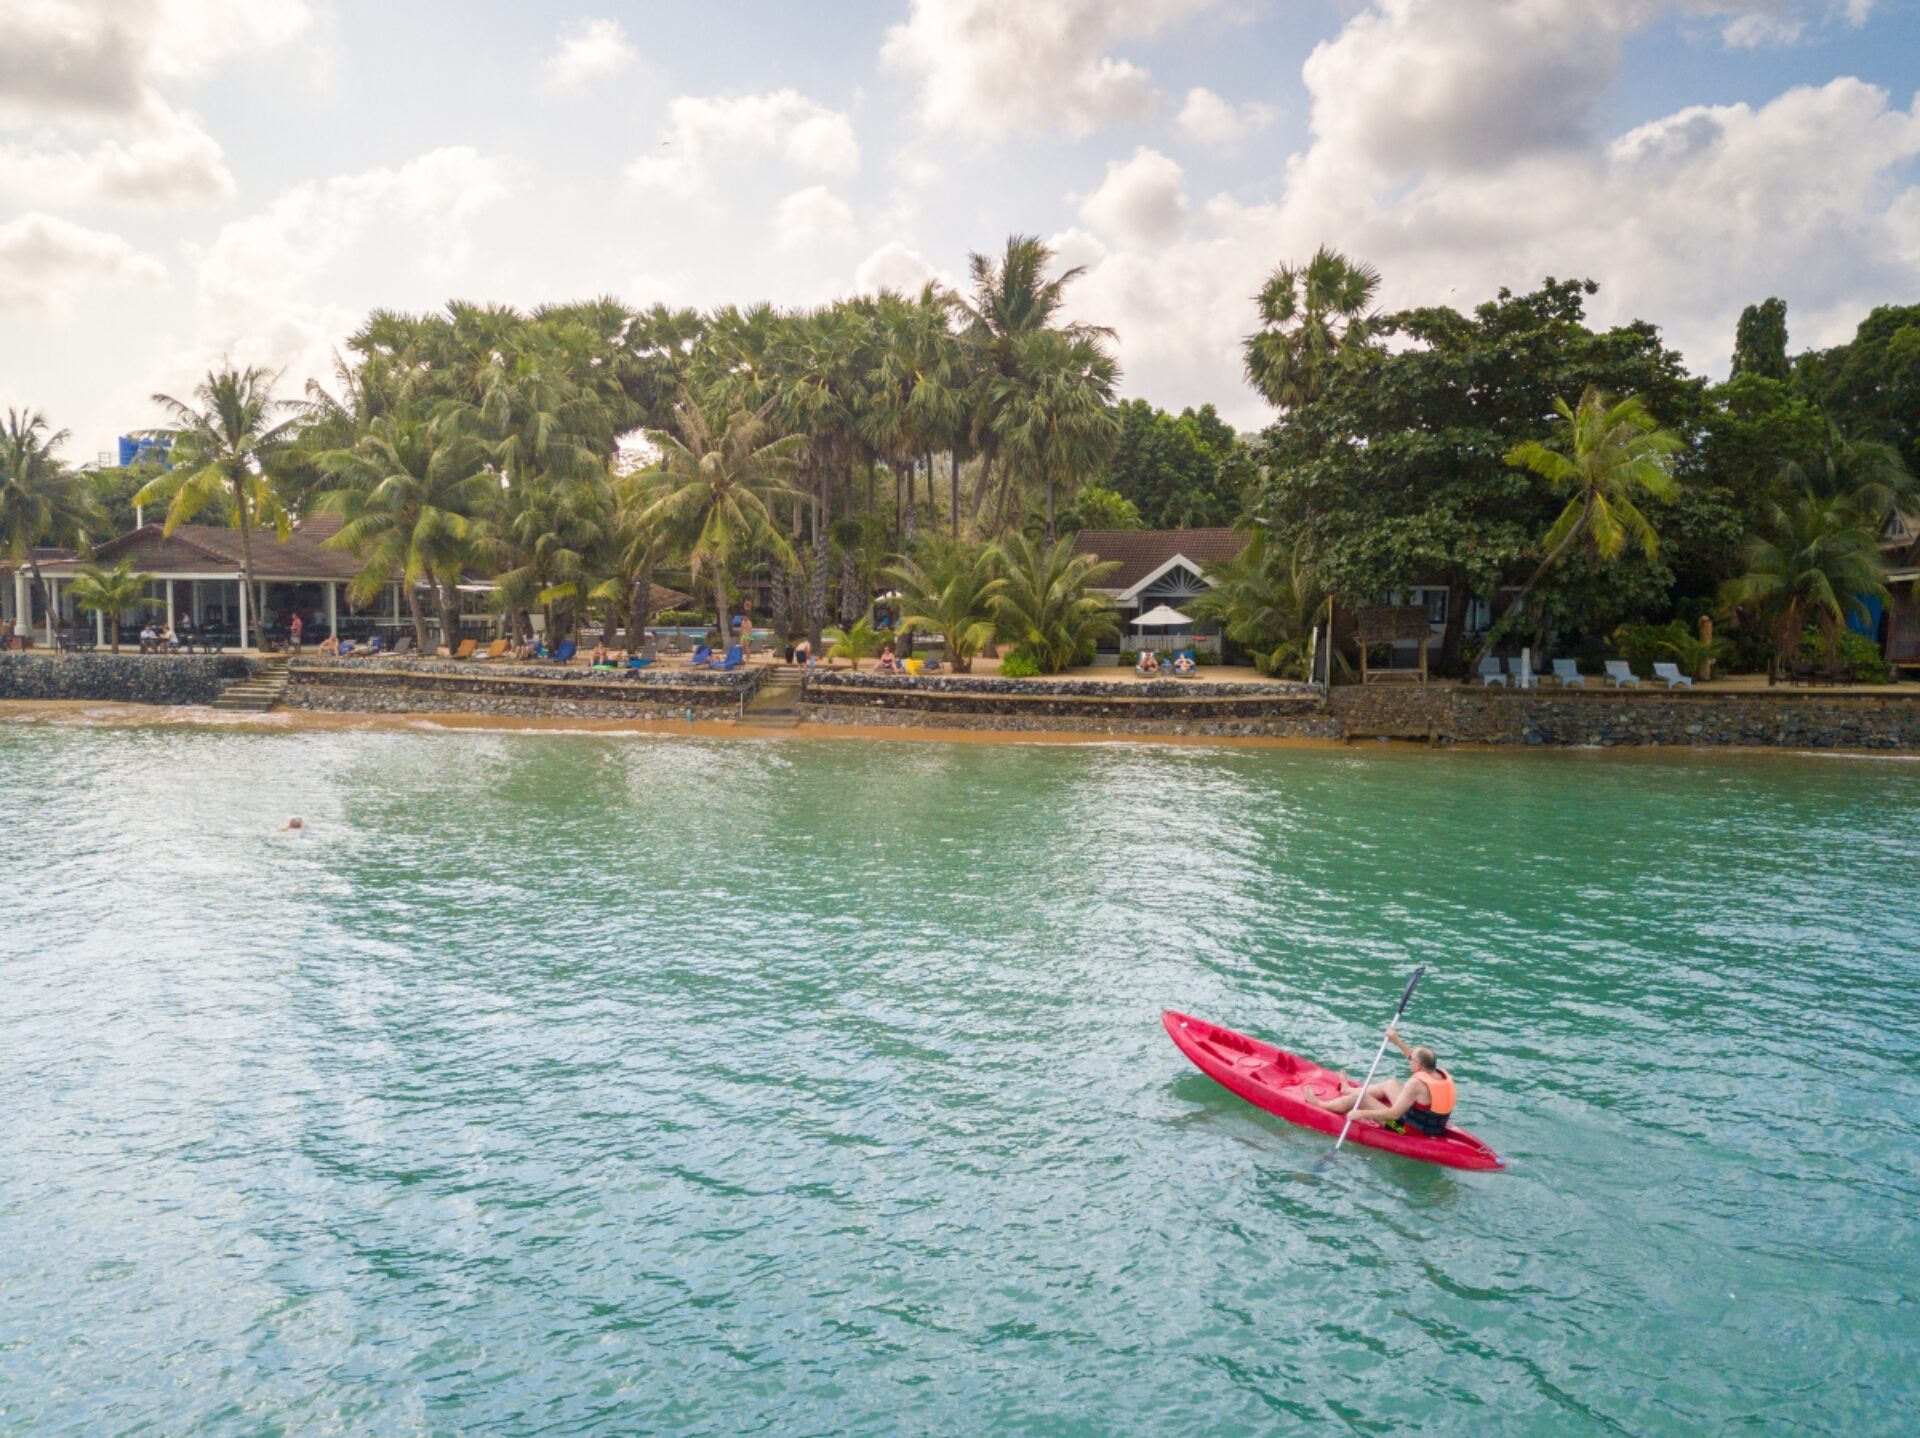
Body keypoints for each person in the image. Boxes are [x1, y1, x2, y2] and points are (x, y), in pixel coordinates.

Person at [1307, 1027, 1457, 1137]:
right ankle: (1347, 1090)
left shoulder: (1416, 1084)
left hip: (1403, 1129)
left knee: (1359, 1098)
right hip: (1428, 1125)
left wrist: (1360, 1114)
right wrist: (1396, 1041)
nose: (1409, 1060)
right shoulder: (1439, 1073)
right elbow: (1416, 1057)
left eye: (1412, 1060)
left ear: (1418, 1066)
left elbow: (1393, 1115)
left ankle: (1321, 1105)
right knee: (1391, 1084)